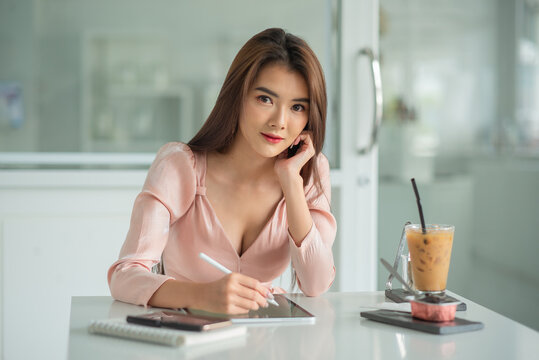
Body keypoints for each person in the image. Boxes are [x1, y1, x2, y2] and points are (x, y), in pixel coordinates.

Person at [107, 28, 336, 314]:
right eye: (265, 99)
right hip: (186, 341)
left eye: (297, 107)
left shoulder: (309, 172)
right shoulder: (181, 165)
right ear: (237, 95)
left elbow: (315, 283)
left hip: (267, 342)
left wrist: (291, 182)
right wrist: (201, 295)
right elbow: (125, 276)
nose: (279, 121)